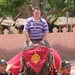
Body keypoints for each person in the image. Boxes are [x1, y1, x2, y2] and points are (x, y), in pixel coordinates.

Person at [19, 7, 49, 74]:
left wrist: (43, 40)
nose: (37, 14)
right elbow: (25, 31)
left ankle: (54, 68)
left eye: (38, 13)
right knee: (22, 52)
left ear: (40, 13)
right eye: (36, 13)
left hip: (41, 40)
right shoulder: (28, 21)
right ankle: (21, 70)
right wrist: (29, 41)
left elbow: (46, 32)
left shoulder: (43, 21)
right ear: (33, 13)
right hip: (30, 40)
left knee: (50, 51)